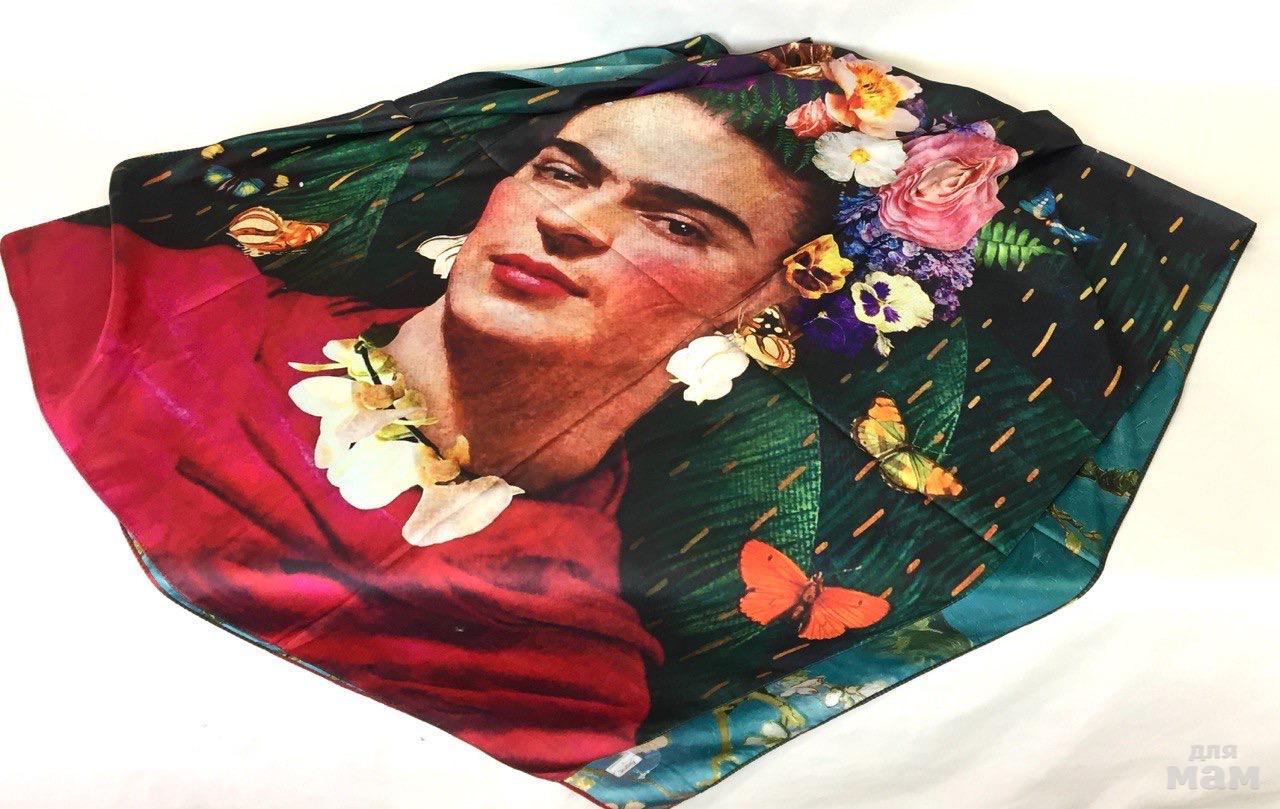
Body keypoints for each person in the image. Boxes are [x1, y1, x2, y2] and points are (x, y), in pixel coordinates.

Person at [0, 76, 840, 779]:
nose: (569, 223)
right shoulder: (154, 315)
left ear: (765, 309)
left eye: (676, 225)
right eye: (562, 171)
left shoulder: (569, 667)